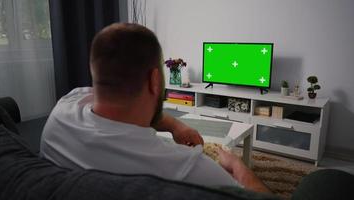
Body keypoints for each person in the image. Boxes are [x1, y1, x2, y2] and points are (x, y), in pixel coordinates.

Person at [40, 23, 269, 193]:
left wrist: (174, 125)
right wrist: (239, 167)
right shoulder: (188, 168)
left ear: (95, 72)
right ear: (155, 80)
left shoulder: (63, 110)